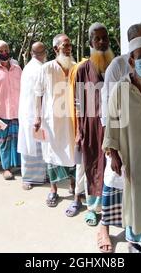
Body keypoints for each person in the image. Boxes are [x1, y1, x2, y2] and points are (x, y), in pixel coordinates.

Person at [103, 36, 141, 253]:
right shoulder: (120, 89)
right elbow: (111, 123)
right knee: (137, 197)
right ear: (131, 61)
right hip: (133, 153)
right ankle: (136, 241)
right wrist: (113, 154)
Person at [34, 34, 82, 211]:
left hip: (72, 120)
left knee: (73, 152)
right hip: (51, 120)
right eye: (64, 46)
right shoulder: (47, 68)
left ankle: (73, 186)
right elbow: (38, 94)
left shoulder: (77, 67)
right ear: (56, 49)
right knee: (51, 153)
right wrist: (37, 117)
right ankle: (53, 190)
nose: (68, 48)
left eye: (69, 45)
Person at [74, 23, 115, 227]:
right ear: (90, 42)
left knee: (114, 167)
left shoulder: (117, 65)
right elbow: (78, 103)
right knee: (93, 166)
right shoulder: (82, 69)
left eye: (104, 37)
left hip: (116, 126)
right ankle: (93, 209)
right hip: (91, 127)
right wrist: (80, 131)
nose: (101, 42)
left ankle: (113, 210)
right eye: (97, 39)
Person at [0, 40, 22, 180]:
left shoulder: (17, 68)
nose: (4, 53)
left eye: (6, 49)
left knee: (18, 140)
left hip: (18, 112)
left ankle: (18, 165)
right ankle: (6, 168)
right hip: (2, 113)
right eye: (1, 51)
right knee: (4, 142)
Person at [18, 42, 49, 190]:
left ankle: (34, 177)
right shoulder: (40, 68)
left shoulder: (28, 67)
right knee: (34, 145)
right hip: (36, 114)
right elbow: (41, 94)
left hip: (29, 113)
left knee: (33, 145)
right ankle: (31, 178)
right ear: (44, 53)